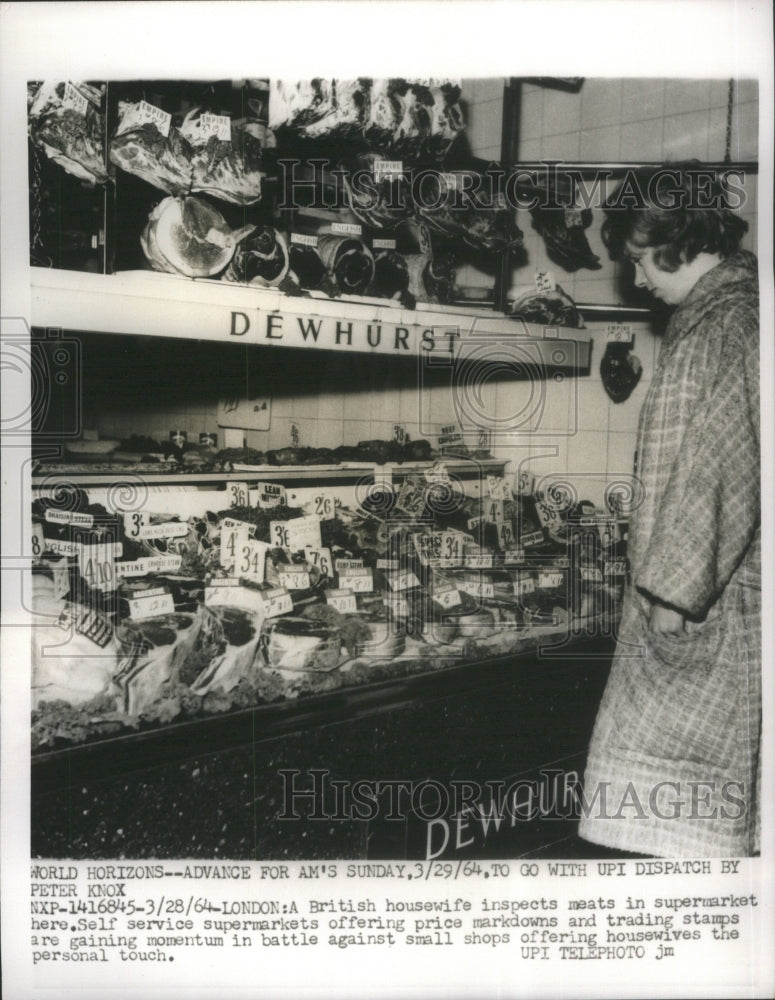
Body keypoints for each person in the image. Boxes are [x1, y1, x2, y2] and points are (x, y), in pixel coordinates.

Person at [578, 164, 761, 857]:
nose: (636, 278)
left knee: (676, 825)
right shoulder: (730, 313)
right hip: (707, 600)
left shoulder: (725, 322)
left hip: (699, 612)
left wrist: (671, 595)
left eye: (635, 257)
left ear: (673, 242)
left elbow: (721, 459)